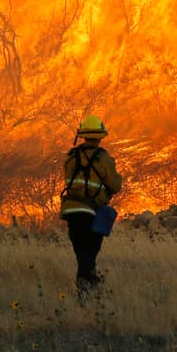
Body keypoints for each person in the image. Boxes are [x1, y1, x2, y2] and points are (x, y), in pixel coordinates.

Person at [59, 114, 122, 295]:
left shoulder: (70, 158)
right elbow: (115, 185)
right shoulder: (103, 158)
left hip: (72, 211)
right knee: (90, 253)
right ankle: (85, 291)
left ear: (82, 135)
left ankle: (90, 287)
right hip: (93, 212)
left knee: (81, 253)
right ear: (101, 136)